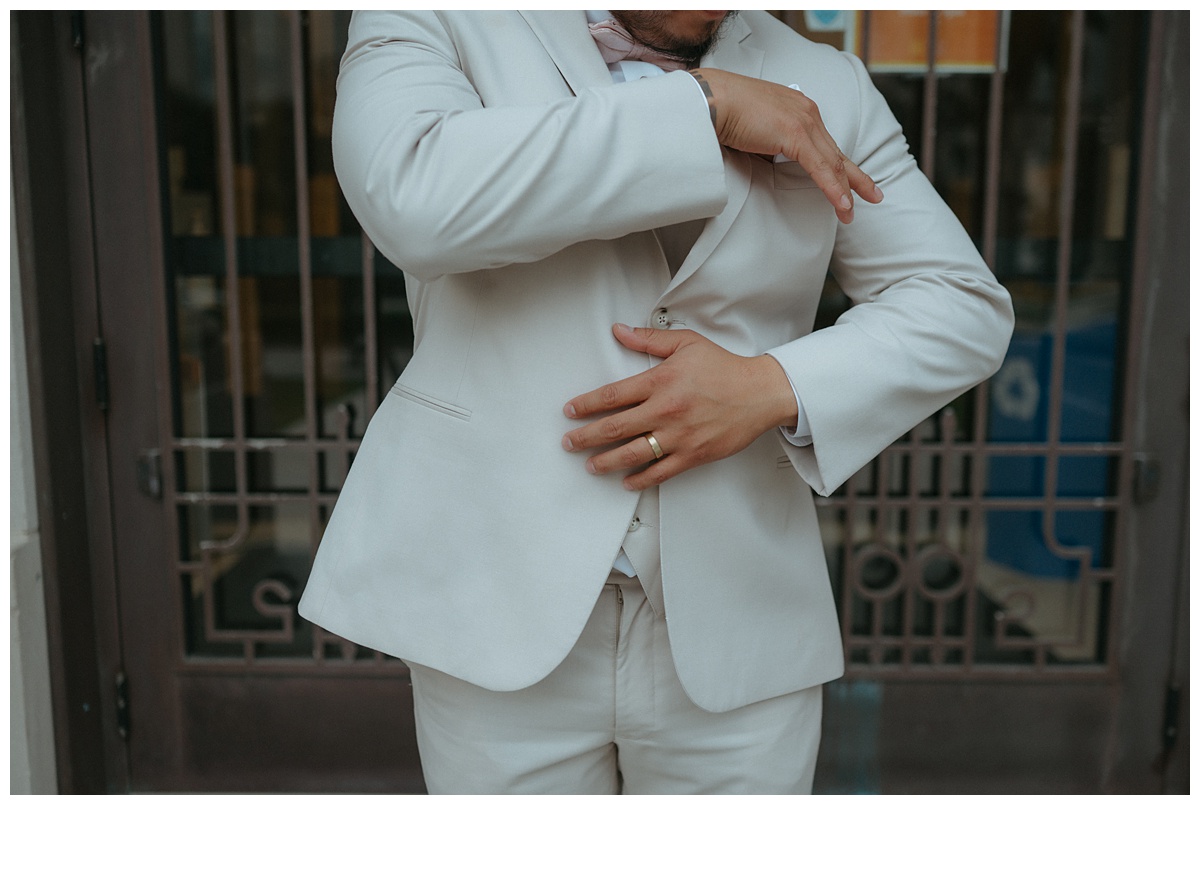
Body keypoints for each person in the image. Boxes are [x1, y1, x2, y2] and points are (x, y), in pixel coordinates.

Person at [298, 10, 1013, 794]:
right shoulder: (434, 19)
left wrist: (769, 386)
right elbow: (413, 198)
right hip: (495, 603)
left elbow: (958, 302)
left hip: (738, 624)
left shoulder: (827, 83)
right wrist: (701, 110)